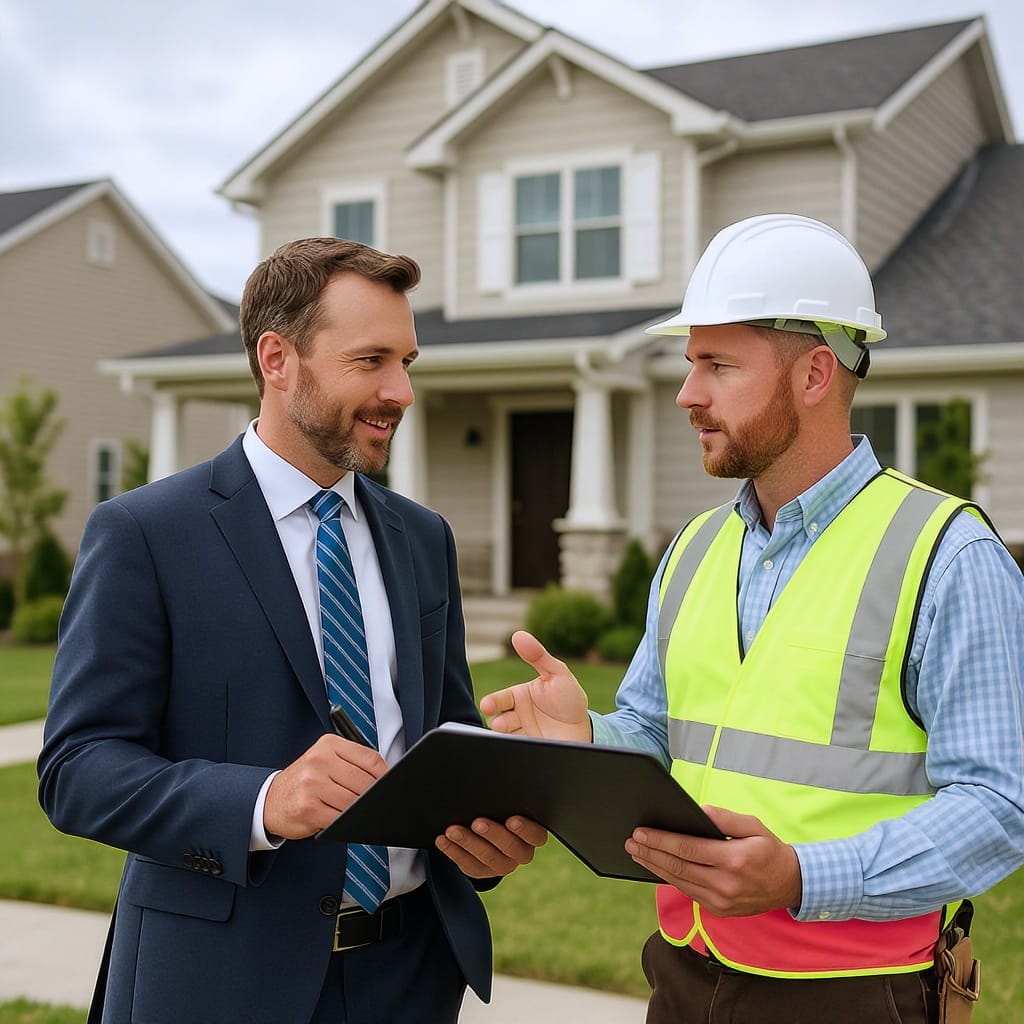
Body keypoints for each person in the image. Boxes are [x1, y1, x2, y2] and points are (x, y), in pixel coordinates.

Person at [482, 214, 1024, 1024]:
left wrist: (804, 877)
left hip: (854, 996)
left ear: (812, 376)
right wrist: (591, 737)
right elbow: (660, 736)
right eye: (690, 362)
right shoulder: (696, 548)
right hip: (683, 976)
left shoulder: (947, 554)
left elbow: (999, 804)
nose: (686, 394)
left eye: (717, 365)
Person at [37, 237, 546, 1024]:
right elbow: (77, 769)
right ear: (278, 358)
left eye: (407, 361)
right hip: (218, 984)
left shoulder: (423, 538)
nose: (401, 391)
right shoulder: (146, 533)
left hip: (411, 976)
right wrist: (264, 800)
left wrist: (485, 837)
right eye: (371, 360)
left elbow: (441, 740)